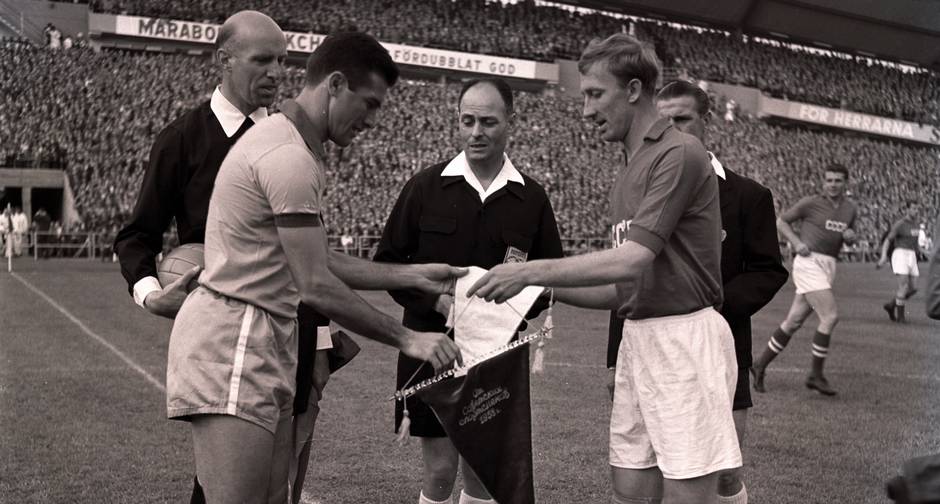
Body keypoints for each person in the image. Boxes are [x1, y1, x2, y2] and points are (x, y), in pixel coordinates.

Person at [165, 31, 462, 504]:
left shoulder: (294, 146)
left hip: (264, 334)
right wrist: (408, 338)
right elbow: (316, 284)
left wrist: (410, 274)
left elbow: (314, 258)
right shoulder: (288, 156)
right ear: (336, 84)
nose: (372, 121)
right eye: (369, 104)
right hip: (235, 340)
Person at [468, 34, 740, 504]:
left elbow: (634, 257)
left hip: (683, 340)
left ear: (633, 90)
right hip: (639, 335)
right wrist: (537, 291)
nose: (586, 110)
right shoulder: (630, 164)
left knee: (687, 495)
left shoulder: (678, 154)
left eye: (595, 94)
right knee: (629, 488)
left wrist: (531, 272)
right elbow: (622, 287)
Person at [374, 77, 564, 504]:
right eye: (467, 121)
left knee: (482, 476)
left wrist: (514, 305)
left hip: (498, 358)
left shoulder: (531, 198)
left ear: (510, 122)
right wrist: (437, 301)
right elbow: (388, 265)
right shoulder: (425, 186)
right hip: (431, 348)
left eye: (488, 122)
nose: (476, 132)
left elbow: (551, 276)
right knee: (439, 474)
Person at [607, 80, 788, 504]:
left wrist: (710, 305)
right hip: (650, 348)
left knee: (723, 475)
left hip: (714, 344)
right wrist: (615, 358)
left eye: (683, 119)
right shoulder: (641, 185)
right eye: (664, 120)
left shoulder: (748, 196)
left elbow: (767, 271)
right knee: (646, 476)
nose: (671, 129)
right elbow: (629, 279)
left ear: (706, 121)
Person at [751, 163, 858, 396]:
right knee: (829, 317)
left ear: (846, 183)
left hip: (829, 265)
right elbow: (781, 221)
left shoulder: (850, 209)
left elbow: (848, 237)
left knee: (793, 322)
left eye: (838, 180)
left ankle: (759, 364)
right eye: (829, 180)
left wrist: (850, 238)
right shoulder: (811, 203)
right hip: (808, 263)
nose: (832, 184)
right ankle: (815, 375)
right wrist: (797, 243)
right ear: (823, 181)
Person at [878, 202, 921, 323]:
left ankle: (892, 305)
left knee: (914, 288)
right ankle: (901, 318)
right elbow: (887, 240)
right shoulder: (900, 224)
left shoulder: (917, 225)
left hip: (911, 255)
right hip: (900, 254)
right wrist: (883, 257)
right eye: (914, 208)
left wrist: (925, 253)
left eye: (917, 209)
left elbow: (915, 244)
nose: (916, 211)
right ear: (907, 210)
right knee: (903, 286)